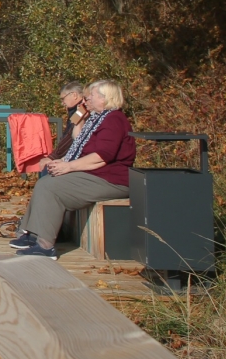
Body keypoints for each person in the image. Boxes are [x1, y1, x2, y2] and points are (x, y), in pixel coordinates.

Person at [10, 79, 135, 259]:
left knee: (49, 187)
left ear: (105, 98)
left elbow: (101, 157)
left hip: (111, 180)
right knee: (47, 181)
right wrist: (79, 118)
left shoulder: (114, 120)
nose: (86, 99)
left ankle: (45, 246)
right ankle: (33, 234)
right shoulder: (96, 118)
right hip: (96, 174)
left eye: (91, 95)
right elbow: (77, 139)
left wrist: (68, 166)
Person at [52, 81, 89, 159]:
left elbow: (70, 138)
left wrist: (53, 157)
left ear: (74, 95)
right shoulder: (77, 110)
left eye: (63, 99)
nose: (62, 103)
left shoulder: (82, 109)